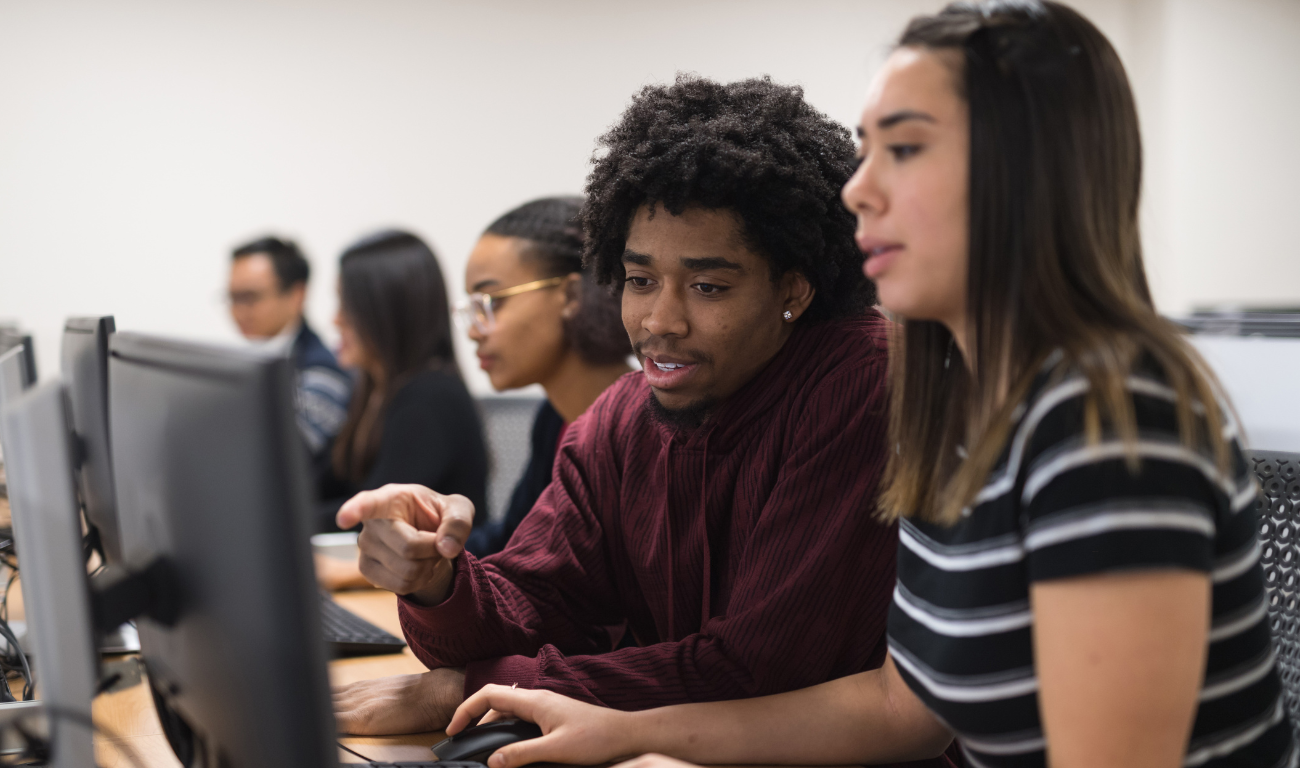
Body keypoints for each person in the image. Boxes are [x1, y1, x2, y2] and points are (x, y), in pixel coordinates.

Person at [442, 3, 1295, 768]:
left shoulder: (1110, 417)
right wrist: (630, 731)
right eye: (868, 148)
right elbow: (899, 708)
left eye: (907, 149)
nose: (860, 189)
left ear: (1022, 179)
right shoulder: (957, 399)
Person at [330, 77, 952, 768]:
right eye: (640, 279)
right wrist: (435, 578)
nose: (660, 322)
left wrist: (475, 689)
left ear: (794, 288)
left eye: (709, 286)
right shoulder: (624, 418)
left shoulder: (864, 384)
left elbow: (756, 673)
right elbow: (534, 602)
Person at [459, 196, 632, 558]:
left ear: (570, 294)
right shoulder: (553, 418)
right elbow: (513, 541)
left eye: (492, 301)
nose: (474, 332)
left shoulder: (641, 429)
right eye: (471, 309)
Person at [314, 230, 489, 534]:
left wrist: (271, 522)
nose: (335, 320)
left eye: (347, 305)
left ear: (385, 312)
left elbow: (369, 517)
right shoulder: (372, 390)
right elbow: (324, 484)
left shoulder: (432, 398)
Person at [228, 236, 350, 464]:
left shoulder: (321, 372)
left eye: (250, 297)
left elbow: (286, 457)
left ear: (297, 295)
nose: (238, 310)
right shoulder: (249, 361)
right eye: (233, 297)